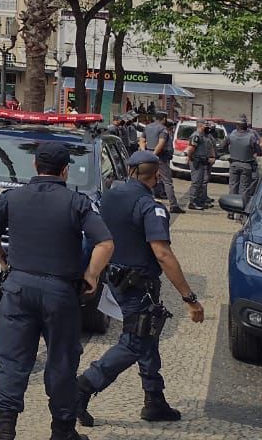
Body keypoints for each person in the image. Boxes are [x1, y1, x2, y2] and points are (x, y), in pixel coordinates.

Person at [0, 141, 114, 440]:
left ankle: (3, 432)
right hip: (60, 293)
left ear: (35, 166)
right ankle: (62, 432)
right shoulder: (77, 202)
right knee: (62, 362)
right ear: (65, 171)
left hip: (18, 288)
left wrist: (2, 261)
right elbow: (105, 243)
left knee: (12, 362)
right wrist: (91, 274)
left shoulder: (12, 197)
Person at [76, 150, 205, 427]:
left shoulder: (109, 196)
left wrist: (92, 272)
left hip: (115, 277)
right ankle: (83, 387)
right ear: (156, 175)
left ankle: (154, 399)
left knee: (148, 334)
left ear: (131, 170)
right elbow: (162, 254)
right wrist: (189, 297)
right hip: (138, 285)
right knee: (134, 342)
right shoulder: (151, 206)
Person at [139, 112, 183, 214]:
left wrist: (145, 152)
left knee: (149, 178)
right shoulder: (163, 129)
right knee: (167, 181)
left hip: (148, 154)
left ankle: (149, 200)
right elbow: (161, 143)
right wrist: (154, 154)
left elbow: (142, 140)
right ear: (163, 119)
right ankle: (173, 205)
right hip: (160, 157)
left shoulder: (147, 127)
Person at [225, 115, 262, 208]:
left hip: (233, 164)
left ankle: (231, 210)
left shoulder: (231, 135)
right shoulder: (251, 137)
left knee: (233, 187)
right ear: (246, 126)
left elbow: (222, 146)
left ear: (237, 126)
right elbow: (259, 152)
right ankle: (241, 209)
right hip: (246, 165)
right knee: (244, 189)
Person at [186, 121, 216, 211]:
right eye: (206, 125)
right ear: (200, 125)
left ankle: (198, 201)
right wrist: (190, 158)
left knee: (200, 182)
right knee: (196, 182)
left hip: (202, 162)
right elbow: (191, 149)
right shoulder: (196, 135)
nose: (207, 127)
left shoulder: (203, 135)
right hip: (197, 161)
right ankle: (192, 202)